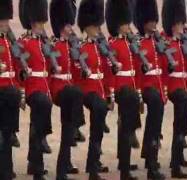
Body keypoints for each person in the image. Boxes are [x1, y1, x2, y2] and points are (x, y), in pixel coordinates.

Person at [105, 0, 141, 179]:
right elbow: (110, 72)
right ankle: (125, 170)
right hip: (121, 89)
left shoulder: (130, 42)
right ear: (119, 26)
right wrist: (111, 94)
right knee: (126, 127)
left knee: (125, 123)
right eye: (126, 24)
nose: (129, 27)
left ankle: (123, 161)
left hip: (131, 88)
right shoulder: (113, 44)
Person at [49, 0, 85, 179]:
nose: (71, 28)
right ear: (62, 27)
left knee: (67, 130)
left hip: (70, 91)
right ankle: (78, 127)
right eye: (68, 25)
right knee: (76, 95)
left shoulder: (72, 45)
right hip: (59, 89)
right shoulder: (53, 45)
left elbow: (77, 72)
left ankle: (63, 169)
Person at [19, 0, 53, 179]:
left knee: (37, 123)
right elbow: (21, 64)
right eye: (39, 22)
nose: (42, 25)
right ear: (32, 23)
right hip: (32, 88)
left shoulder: (44, 42)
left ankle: (34, 163)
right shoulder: (24, 43)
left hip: (44, 87)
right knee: (42, 112)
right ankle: (37, 164)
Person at [133, 0, 166, 179]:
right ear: (143, 22)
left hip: (158, 87)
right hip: (145, 87)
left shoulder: (157, 40)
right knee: (155, 107)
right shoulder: (137, 42)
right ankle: (151, 164)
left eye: (154, 20)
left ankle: (149, 154)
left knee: (157, 120)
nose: (153, 24)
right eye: (150, 21)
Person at [77, 0, 109, 179]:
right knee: (98, 109)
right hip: (87, 91)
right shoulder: (81, 47)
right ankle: (93, 165)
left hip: (100, 91)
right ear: (86, 28)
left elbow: (106, 72)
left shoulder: (100, 47)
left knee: (97, 130)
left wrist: (109, 95)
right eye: (93, 26)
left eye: (97, 26)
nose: (96, 29)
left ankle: (93, 163)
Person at [162, 0, 187, 178]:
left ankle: (180, 155)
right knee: (183, 102)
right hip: (172, 86)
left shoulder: (183, 43)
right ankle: (175, 164)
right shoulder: (167, 43)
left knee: (185, 104)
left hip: (183, 85)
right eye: (180, 24)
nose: (183, 27)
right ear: (173, 25)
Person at [0, 0, 22, 179]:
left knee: (7, 134)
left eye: (7, 21)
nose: (6, 25)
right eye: (3, 22)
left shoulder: (9, 40)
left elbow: (17, 64)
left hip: (9, 90)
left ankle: (7, 170)